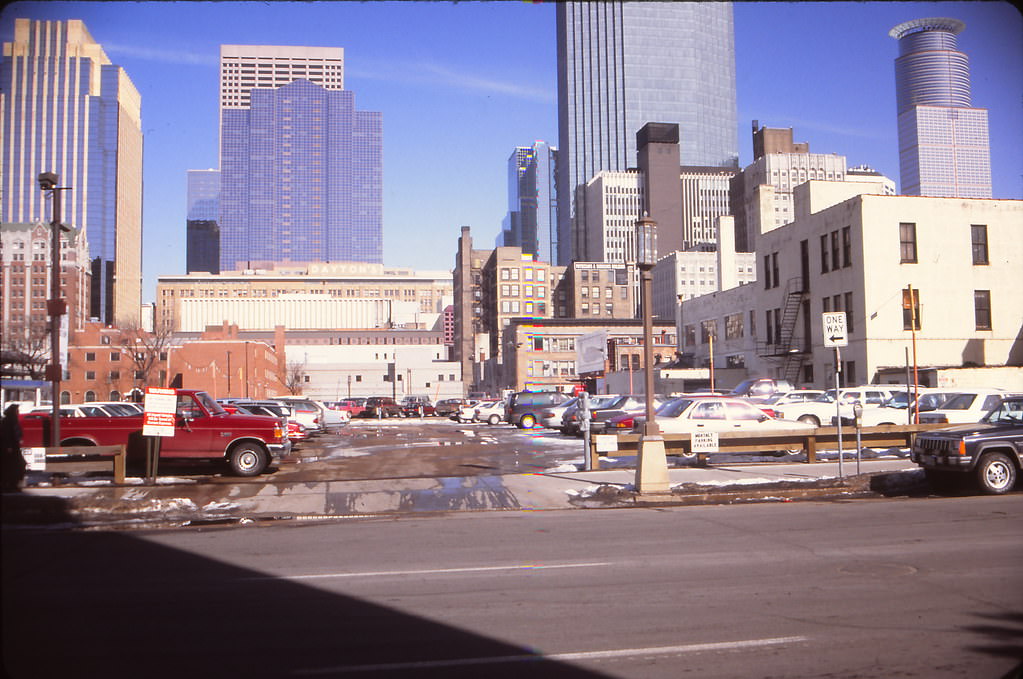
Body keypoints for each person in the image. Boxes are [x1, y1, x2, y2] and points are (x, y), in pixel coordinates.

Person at [1, 404, 26, 492]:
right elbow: (6, 434)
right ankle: (10, 484)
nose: (18, 412)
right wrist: (8, 446)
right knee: (13, 466)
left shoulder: (12, 420)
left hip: (14, 447)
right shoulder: (8, 421)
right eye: (17, 411)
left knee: (16, 465)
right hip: (9, 448)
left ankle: (12, 484)